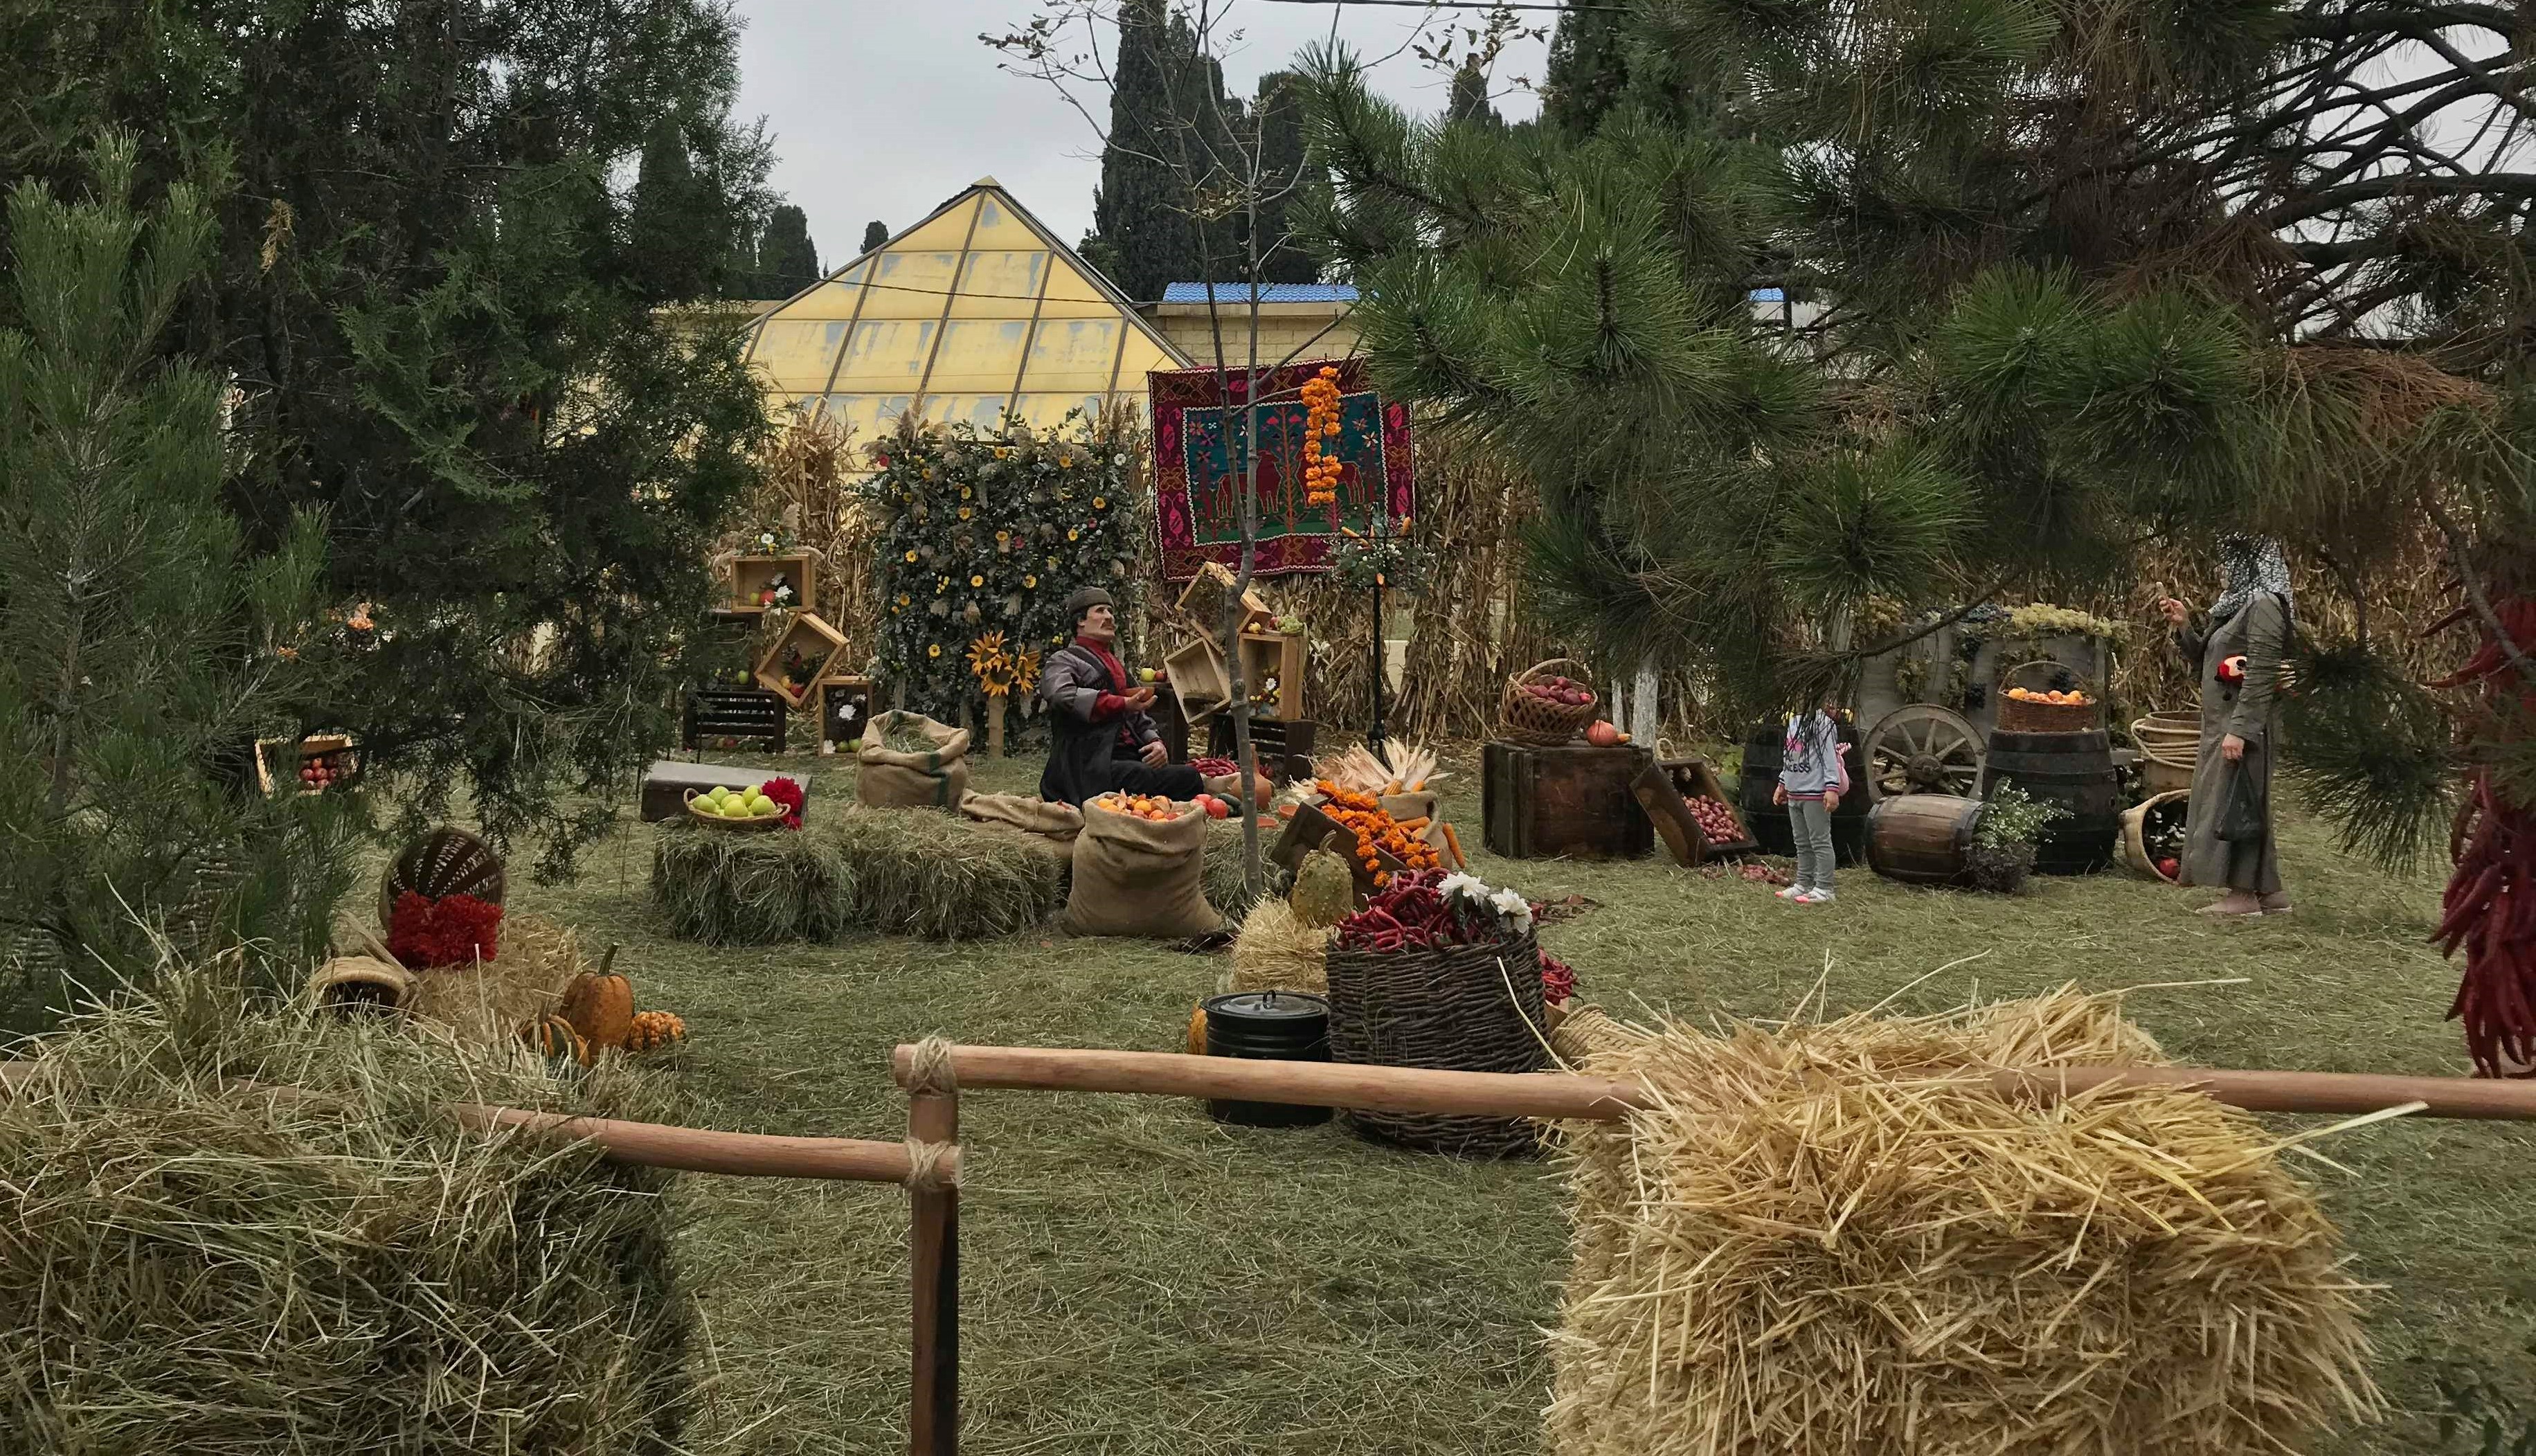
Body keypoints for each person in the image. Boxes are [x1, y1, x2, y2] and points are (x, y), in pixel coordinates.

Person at [2157, 534, 2294, 917]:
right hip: (2225, 722)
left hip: (2243, 724)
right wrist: (2185, 626)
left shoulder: (2264, 604)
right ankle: (2269, 891)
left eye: (2229, 561)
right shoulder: (2238, 606)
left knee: (2238, 804)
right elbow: (2212, 660)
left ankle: (2242, 895)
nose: (2222, 569)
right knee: (2245, 801)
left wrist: (2242, 730)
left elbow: (2262, 670)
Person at [1038, 588, 1208, 808]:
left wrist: (1155, 742)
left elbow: (1137, 714)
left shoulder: (1116, 665)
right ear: (1080, 621)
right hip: (1086, 763)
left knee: (1187, 776)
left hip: (1126, 757)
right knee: (1139, 775)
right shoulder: (1063, 660)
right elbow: (1061, 695)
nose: (1109, 617)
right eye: (1101, 611)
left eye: (1111, 611)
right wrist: (1121, 703)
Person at [1771, 692, 1848, 904]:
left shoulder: (1824, 724)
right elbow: (1791, 757)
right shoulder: (1794, 722)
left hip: (1815, 793)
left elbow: (1830, 758)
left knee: (1820, 841)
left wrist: (1831, 788)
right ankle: (1803, 883)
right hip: (1795, 793)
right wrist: (1782, 783)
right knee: (1802, 842)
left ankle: (1825, 888)